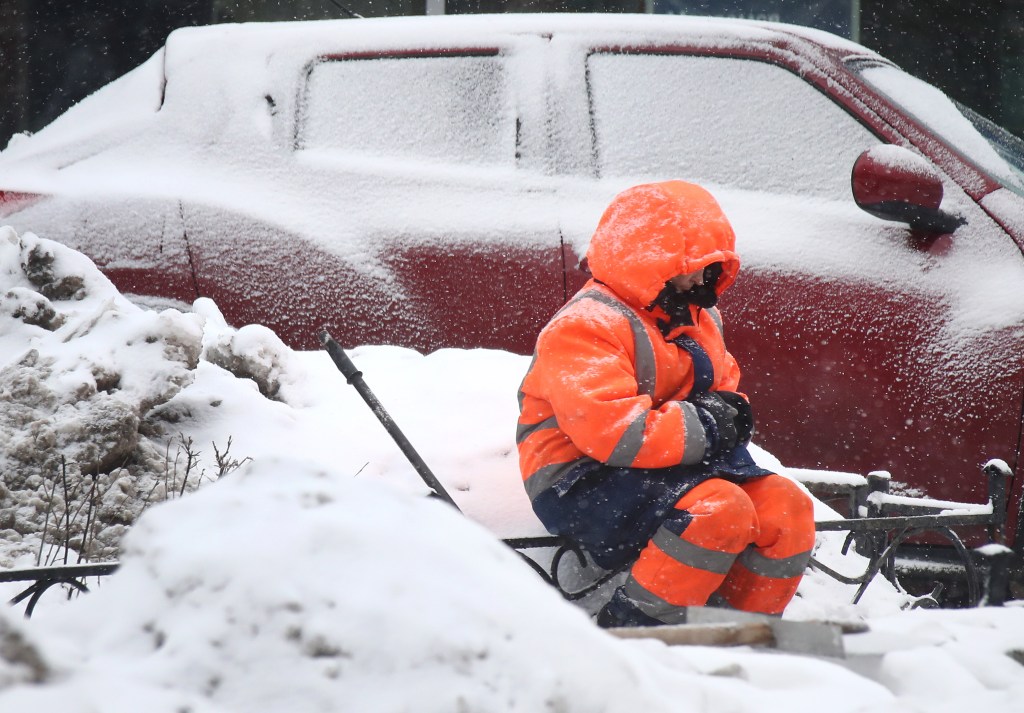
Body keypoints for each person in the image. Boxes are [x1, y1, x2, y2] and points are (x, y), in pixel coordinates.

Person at [516, 180, 816, 627]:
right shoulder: (585, 326)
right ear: (648, 260)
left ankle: (738, 635)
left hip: (676, 466)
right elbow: (615, 433)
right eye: (690, 265)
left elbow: (726, 392)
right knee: (717, 511)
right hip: (582, 478)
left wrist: (723, 418)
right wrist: (712, 425)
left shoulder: (699, 315)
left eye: (712, 265)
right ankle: (632, 636)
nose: (701, 278)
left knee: (785, 507)